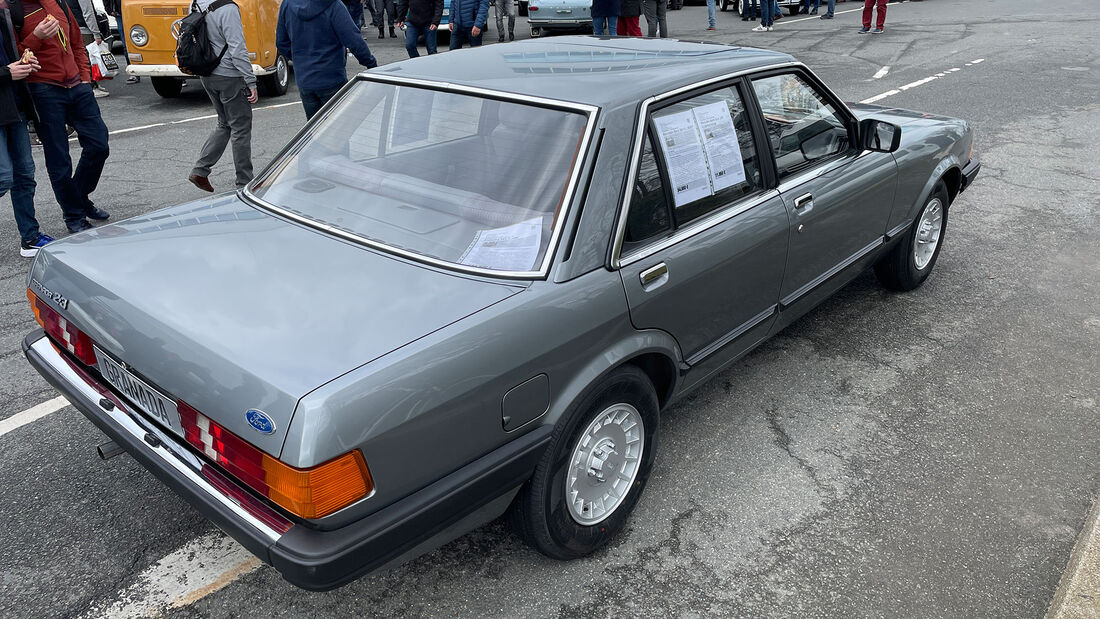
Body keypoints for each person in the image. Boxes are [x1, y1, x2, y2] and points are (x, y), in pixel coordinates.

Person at [15, 0, 110, 233]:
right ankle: (74, 215)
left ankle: (78, 197)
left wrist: (86, 79)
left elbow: (77, 43)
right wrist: (35, 37)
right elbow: (12, 57)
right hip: (43, 90)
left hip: (77, 85)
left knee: (99, 145)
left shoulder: (59, 2)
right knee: (59, 159)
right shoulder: (13, 8)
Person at [1, 3, 52, 255]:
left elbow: (13, 56)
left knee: (24, 175)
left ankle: (30, 238)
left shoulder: (6, 15)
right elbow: (6, 70)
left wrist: (24, 63)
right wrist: (6, 72)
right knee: (4, 177)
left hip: (15, 106)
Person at [188, 0, 256, 192]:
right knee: (241, 128)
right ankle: (245, 181)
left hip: (207, 73)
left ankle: (200, 170)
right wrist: (250, 80)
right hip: (229, 75)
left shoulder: (195, 4)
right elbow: (237, 47)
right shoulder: (228, 8)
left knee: (224, 123)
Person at [277, 0, 377, 119]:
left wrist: (300, 60)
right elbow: (353, 39)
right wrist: (370, 63)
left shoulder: (287, 4)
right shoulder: (334, 5)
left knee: (313, 129)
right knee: (339, 127)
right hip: (331, 76)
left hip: (305, 79)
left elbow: (281, 42)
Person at [63, 0, 107, 97]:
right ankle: (91, 86)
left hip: (73, 27)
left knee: (82, 58)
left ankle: (93, 84)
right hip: (85, 29)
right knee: (89, 59)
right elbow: (88, 13)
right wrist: (96, 33)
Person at [104, 0, 139, 83]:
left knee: (139, 41)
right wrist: (109, 10)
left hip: (135, 11)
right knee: (126, 45)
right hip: (120, 13)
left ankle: (137, 70)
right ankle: (133, 72)